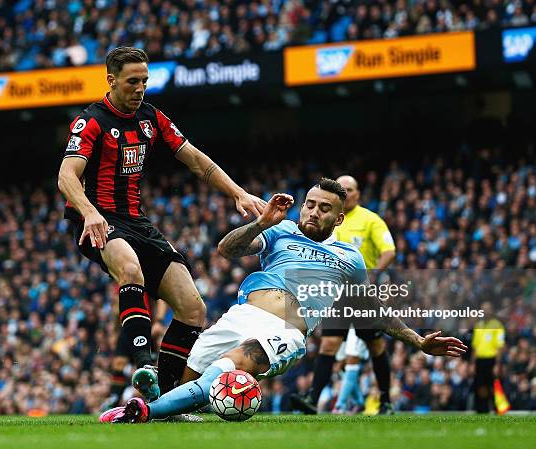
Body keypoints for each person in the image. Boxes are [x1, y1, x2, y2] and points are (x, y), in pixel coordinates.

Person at [99, 179, 467, 423]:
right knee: (185, 388)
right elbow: (227, 249)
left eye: (324, 208)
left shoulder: (350, 259)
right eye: (310, 204)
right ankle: (167, 405)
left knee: (238, 359)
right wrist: (261, 223)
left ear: (339, 218)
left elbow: (371, 311)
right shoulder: (282, 232)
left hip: (287, 329)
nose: (313, 211)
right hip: (240, 315)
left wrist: (418, 340)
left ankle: (143, 411)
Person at [57, 46, 266, 406]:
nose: (140, 89)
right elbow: (66, 175)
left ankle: (164, 401)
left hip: (137, 221)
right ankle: (143, 363)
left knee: (193, 308)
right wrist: (90, 212)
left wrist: (238, 193)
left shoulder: (151, 118)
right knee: (130, 268)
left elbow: (196, 160)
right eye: (132, 81)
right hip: (96, 219)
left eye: (144, 81)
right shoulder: (91, 121)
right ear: (111, 80)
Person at [294, 174, 397, 414]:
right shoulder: (328, 218)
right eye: (343, 189)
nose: (347, 193)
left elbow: (389, 251)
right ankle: (312, 399)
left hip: (362, 293)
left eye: (350, 189)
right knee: (329, 345)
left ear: (358, 194)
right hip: (337, 294)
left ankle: (385, 401)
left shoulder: (371, 219)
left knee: (375, 346)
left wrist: (370, 276)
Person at [472, 301, 505, 413]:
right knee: (481, 386)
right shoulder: (478, 325)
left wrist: (497, 364)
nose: (485, 311)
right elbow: (475, 346)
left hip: (492, 360)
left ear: (492, 310)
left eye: (487, 309)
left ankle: (498, 409)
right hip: (480, 360)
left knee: (494, 386)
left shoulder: (497, 325)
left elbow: (500, 347)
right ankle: (482, 410)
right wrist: (472, 364)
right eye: (483, 309)